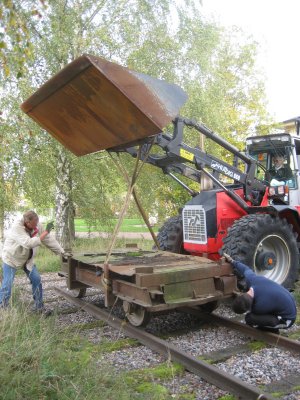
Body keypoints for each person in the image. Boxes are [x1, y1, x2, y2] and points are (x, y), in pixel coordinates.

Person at [0, 210, 70, 316]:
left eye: (36, 224)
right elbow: (28, 243)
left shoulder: (37, 225)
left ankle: (39, 308)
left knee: (37, 279)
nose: (35, 227)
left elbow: (48, 240)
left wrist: (62, 253)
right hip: (11, 259)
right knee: (7, 285)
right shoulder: (16, 228)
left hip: (28, 260)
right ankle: (3, 311)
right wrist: (46, 232)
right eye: (33, 225)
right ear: (26, 222)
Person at [223, 253, 297, 333]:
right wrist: (232, 261)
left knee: (249, 318)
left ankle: (273, 329)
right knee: (263, 311)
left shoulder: (260, 306)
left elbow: (253, 313)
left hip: (287, 320)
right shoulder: (252, 279)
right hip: (286, 304)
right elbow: (245, 269)